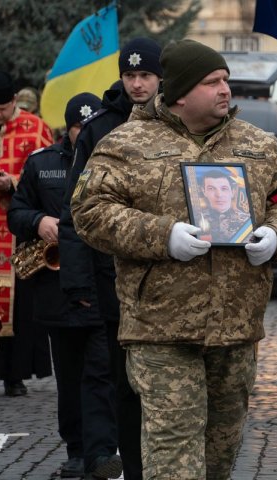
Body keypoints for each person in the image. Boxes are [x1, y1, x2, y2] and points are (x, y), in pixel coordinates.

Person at [70, 39, 277, 479]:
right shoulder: (125, 144)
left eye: (225, 81)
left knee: (219, 454)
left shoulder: (257, 143)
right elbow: (89, 211)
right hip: (161, 328)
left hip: (237, 326)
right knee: (174, 457)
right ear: (180, 93)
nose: (224, 90)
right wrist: (163, 235)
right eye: (212, 82)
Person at [59, 36, 163, 480]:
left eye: (145, 75)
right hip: (112, 279)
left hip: (168, 277)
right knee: (119, 382)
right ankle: (130, 465)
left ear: (161, 77)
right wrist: (78, 283)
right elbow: (76, 210)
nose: (137, 84)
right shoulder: (100, 129)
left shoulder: (175, 121)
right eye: (130, 75)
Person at [7, 92, 102, 479]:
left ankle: (102, 451)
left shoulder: (115, 161)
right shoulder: (41, 163)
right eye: (78, 127)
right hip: (57, 290)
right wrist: (37, 222)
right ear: (67, 128)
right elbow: (17, 212)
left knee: (102, 374)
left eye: (90, 126)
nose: (84, 134)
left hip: (103, 285)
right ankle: (77, 450)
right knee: (70, 376)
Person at [0, 70, 54, 396]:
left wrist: (10, 182)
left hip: (18, 234)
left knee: (21, 307)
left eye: (3, 108)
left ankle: (16, 375)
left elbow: (48, 176)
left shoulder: (36, 130)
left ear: (14, 101)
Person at [198, 169, 251, 243]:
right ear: (204, 191)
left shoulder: (247, 222)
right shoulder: (197, 219)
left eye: (224, 189)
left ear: (232, 192)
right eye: (211, 189)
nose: (219, 195)